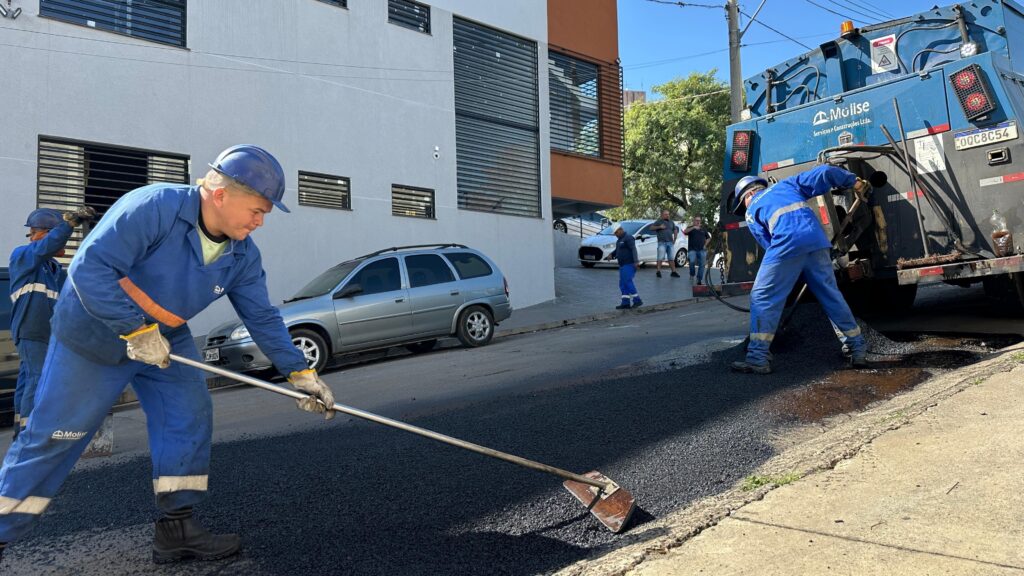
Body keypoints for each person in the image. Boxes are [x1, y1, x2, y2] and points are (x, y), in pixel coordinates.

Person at [0, 145, 337, 565]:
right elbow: (90, 270)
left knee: (188, 414)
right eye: (257, 210)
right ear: (221, 195)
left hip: (164, 339)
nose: (260, 221)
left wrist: (300, 373)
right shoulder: (153, 208)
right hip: (92, 334)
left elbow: (262, 317)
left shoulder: (242, 255)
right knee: (55, 437)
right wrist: (134, 329)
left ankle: (177, 530)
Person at [728, 165, 868, 374]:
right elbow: (825, 172)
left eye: (743, 203)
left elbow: (768, 244)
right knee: (831, 295)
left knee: (762, 296)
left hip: (786, 245)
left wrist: (790, 271)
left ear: (747, 196)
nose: (745, 207)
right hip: (817, 242)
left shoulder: (751, 210)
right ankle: (856, 348)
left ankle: (757, 357)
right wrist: (855, 183)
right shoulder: (786, 185)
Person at [8, 207, 96, 437]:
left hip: (45, 332)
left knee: (28, 378)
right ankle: (31, 432)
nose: (63, 243)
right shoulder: (23, 256)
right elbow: (47, 246)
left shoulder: (53, 269)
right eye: (57, 235)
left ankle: (21, 430)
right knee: (38, 378)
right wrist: (69, 224)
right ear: (41, 234)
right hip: (31, 328)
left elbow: (77, 284)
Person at [610, 226, 643, 309]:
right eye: (614, 233)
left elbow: (633, 249)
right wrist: (611, 254)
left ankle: (637, 300)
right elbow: (617, 250)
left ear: (621, 229)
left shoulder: (628, 238)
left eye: (616, 232)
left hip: (629, 264)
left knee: (627, 282)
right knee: (622, 283)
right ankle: (625, 302)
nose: (615, 234)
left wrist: (636, 261)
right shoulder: (619, 240)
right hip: (622, 265)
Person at [683, 216, 712, 285]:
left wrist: (705, 245)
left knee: (702, 264)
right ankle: (692, 274)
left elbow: (708, 238)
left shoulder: (703, 229)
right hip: (692, 249)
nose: (698, 222)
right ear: (693, 221)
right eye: (696, 220)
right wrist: (693, 227)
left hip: (702, 250)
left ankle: (699, 279)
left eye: (699, 220)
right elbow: (684, 232)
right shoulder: (690, 228)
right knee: (692, 262)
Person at [650, 209, 680, 278]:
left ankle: (673, 272)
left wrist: (675, 238)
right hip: (662, 243)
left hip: (670, 242)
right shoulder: (659, 221)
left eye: (668, 214)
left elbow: (675, 229)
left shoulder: (671, 222)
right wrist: (659, 227)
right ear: (662, 215)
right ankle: (658, 271)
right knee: (660, 257)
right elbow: (651, 228)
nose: (667, 215)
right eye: (666, 214)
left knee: (671, 258)